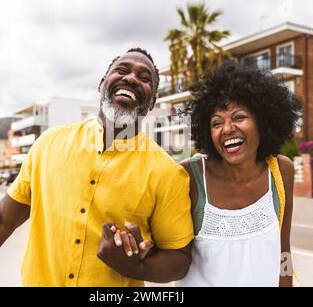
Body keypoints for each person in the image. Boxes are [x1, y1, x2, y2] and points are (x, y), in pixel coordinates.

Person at [0, 48, 194, 287]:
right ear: (102, 83)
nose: (132, 78)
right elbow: (1, 221)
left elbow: (179, 257)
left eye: (144, 78)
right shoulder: (49, 144)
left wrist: (137, 268)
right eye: (121, 70)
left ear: (153, 100)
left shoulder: (167, 172)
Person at [113, 61, 300, 286]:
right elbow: (170, 252)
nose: (228, 128)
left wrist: (286, 281)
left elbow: (284, 251)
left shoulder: (281, 171)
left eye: (239, 117)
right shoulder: (189, 177)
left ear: (263, 120)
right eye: (216, 123)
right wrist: (143, 251)